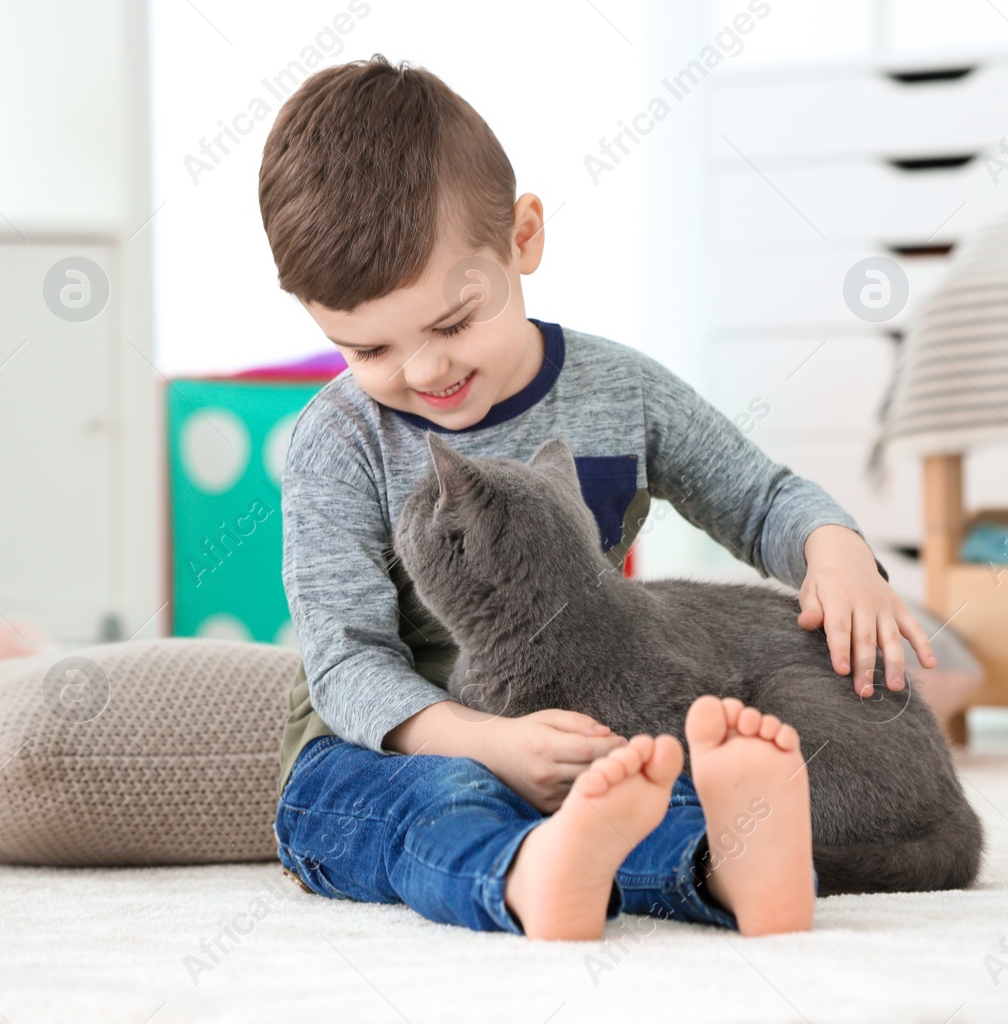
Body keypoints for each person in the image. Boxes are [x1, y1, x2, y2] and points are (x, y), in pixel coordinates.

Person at [261, 55, 939, 940]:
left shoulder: (621, 390)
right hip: (399, 745)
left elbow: (761, 495)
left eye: (453, 322)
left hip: (586, 727)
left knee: (659, 779)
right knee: (414, 805)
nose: (424, 370)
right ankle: (526, 874)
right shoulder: (341, 440)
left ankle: (716, 863)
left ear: (523, 239)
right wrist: (485, 741)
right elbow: (346, 662)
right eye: (369, 351)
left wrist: (834, 548)